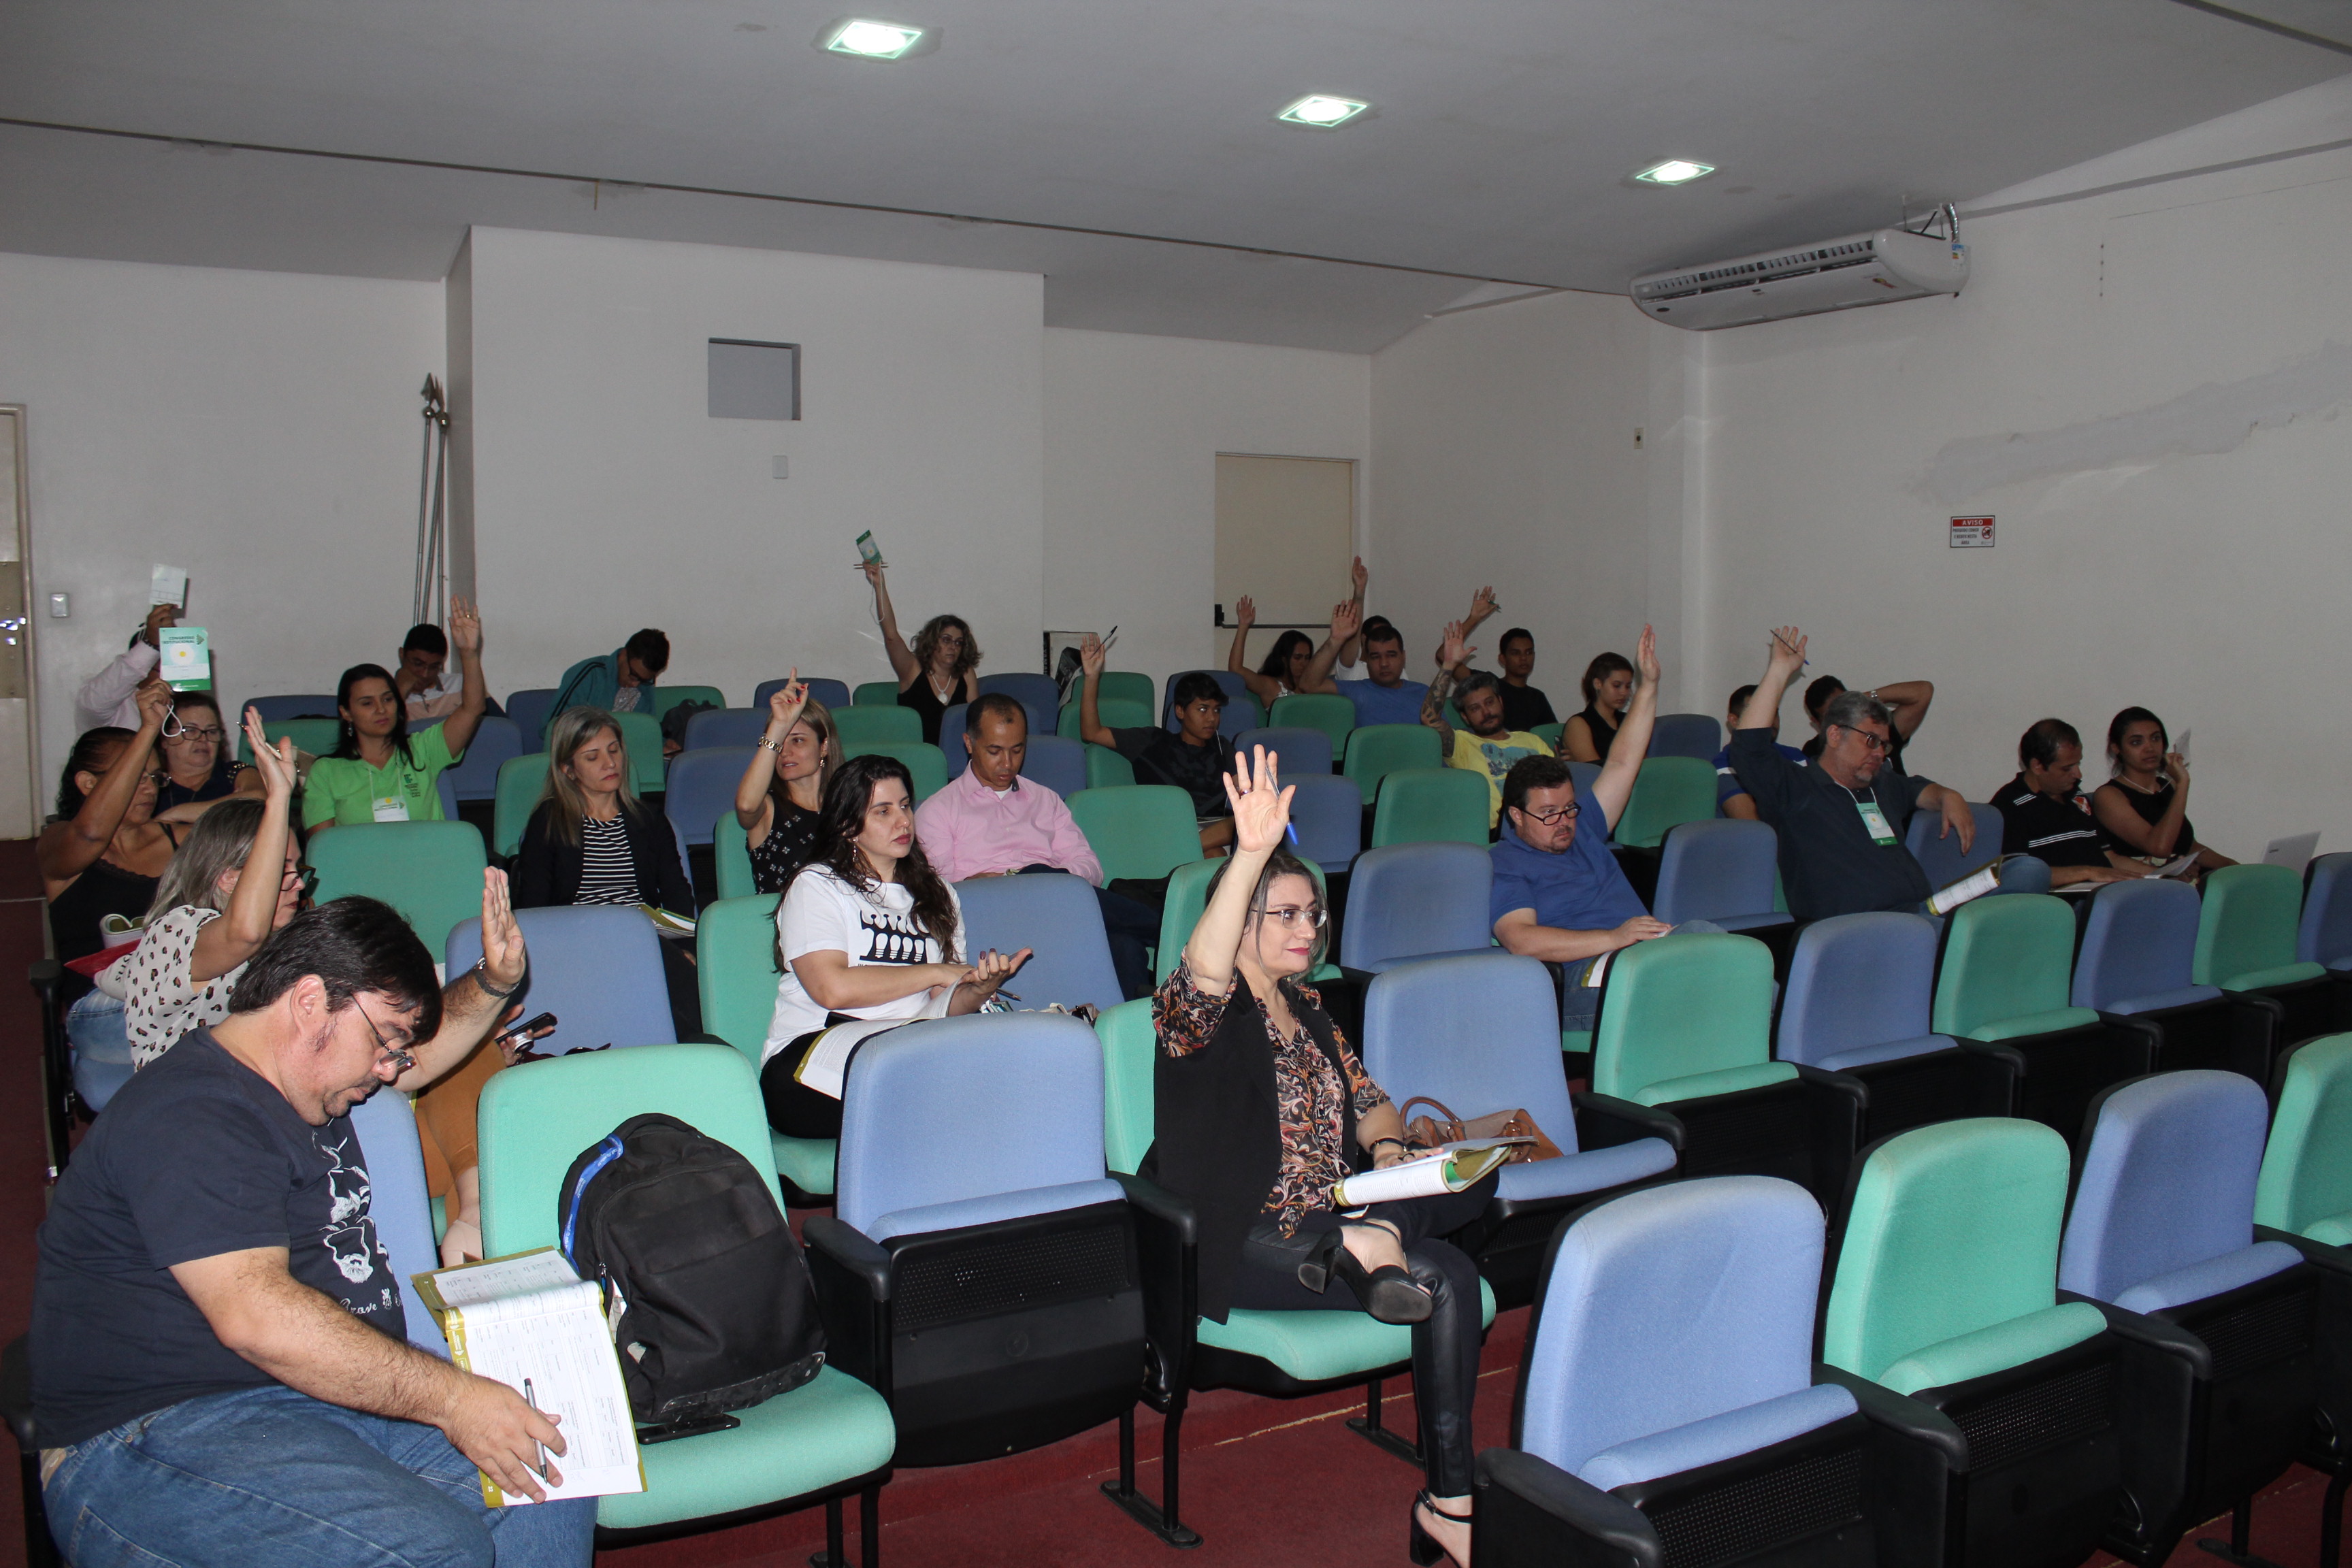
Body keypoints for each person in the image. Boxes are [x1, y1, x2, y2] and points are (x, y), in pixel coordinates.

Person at [29, 887, 597, 1567]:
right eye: (385, 1044)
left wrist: (495, 981)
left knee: (546, 1470)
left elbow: (425, 1046)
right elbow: (256, 1320)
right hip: (145, 1439)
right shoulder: (196, 1113)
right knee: (436, 1549)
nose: (394, 1070)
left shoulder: (307, 1083)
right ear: (307, 1004)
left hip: (309, 1410)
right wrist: (452, 1397)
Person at [1142, 747, 1492, 1568]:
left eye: (1314, 916)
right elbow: (1202, 968)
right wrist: (1251, 852)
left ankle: (1373, 1245)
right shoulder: (1200, 1018)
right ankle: (1453, 1503)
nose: (1308, 930)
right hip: (1243, 1236)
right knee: (1450, 1278)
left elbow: (1368, 1097)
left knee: (1468, 1194)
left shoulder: (1312, 1009)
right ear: (1243, 921)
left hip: (1335, 1205)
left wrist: (1395, 1148)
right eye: (1286, 916)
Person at [760, 755, 1026, 1140]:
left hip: (911, 1048)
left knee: (998, 1068)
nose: (903, 821)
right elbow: (831, 989)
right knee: (949, 1088)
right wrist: (938, 970)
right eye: (882, 811)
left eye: (904, 806)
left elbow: (943, 1004)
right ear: (848, 825)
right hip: (810, 1060)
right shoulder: (816, 885)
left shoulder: (939, 895)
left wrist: (975, 989)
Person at [1490, 629, 1708, 1028]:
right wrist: (1614, 938)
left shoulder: (1583, 825)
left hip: (1641, 955)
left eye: (1568, 808)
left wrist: (1649, 687)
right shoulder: (1504, 862)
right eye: (1549, 813)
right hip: (1585, 975)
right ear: (1517, 816)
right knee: (1692, 984)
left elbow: (1623, 762)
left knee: (1724, 956)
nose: (1564, 822)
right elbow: (1521, 940)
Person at [917, 692, 1159, 1000]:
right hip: (990, 915)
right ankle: (1165, 929)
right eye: (995, 751)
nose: (1008, 763)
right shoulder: (938, 811)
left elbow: (1091, 867)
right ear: (969, 743)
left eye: (1017, 750)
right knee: (1034, 872)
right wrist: (978, 883)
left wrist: (1053, 881)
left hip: (1060, 909)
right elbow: (936, 892)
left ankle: (1127, 1035)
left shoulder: (1045, 799)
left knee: (1126, 946)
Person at [1729, 627, 1974, 920]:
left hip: (1921, 913)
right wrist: (1779, 671)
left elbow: (1920, 791)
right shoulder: (1796, 788)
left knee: (2021, 874)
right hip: (1859, 929)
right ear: (1834, 735)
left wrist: (1949, 795)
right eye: (1870, 741)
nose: (1880, 753)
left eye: (1883, 745)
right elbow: (1748, 749)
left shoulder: (1880, 784)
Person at [108, 712, 304, 1066]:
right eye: (282, 869)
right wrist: (278, 799)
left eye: (297, 866)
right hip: (187, 1106)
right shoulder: (177, 931)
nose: (300, 882)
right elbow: (244, 933)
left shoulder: (286, 933)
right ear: (227, 877)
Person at [512, 706, 700, 1039]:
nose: (610, 763)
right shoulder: (550, 821)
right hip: (578, 942)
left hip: (643, 938)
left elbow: (676, 892)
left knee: (680, 972)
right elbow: (534, 906)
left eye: (614, 751)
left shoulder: (649, 820)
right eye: (592, 756)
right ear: (569, 770)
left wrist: (685, 946)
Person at [303, 598, 487, 835]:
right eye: (367, 703)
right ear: (346, 712)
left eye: (388, 699)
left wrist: (469, 654)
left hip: (426, 863)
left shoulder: (422, 750)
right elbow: (323, 851)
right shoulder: (326, 772)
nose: (381, 709)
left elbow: (472, 709)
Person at [43, 683, 184, 979]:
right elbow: (90, 835)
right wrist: (148, 730)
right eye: (135, 775)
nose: (148, 788)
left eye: (153, 777)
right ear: (89, 784)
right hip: (103, 1002)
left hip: (178, 990)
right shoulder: (57, 840)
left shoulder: (178, 837)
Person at [1079, 634, 1237, 855]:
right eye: (1203, 709)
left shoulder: (1223, 747)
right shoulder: (1152, 741)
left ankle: (1187, 847)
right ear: (1180, 711)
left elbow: (1242, 793)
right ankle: (1187, 846)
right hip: (1169, 827)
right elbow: (1092, 732)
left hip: (1216, 829)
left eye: (1216, 710)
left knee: (1244, 821)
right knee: (1216, 855)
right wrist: (1092, 678)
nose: (1212, 718)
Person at [1421, 621, 1554, 828]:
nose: (1486, 712)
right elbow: (1429, 716)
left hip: (1543, 825)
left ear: (1501, 702)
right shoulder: (1462, 744)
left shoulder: (1533, 741)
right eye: (1475, 709)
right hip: (1497, 835)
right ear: (1465, 717)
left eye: (1490, 702)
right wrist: (1448, 666)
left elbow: (1557, 785)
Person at [1995, 719, 2143, 888]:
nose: (2077, 774)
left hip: (2107, 893)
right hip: (2065, 903)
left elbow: (2109, 857)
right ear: (2037, 766)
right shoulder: (2010, 806)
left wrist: (2158, 875)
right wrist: (2089, 872)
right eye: (2067, 768)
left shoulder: (2076, 796)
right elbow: (2018, 875)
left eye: (2078, 764)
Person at [732, 672, 840, 896]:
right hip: (788, 926)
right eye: (780, 742)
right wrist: (779, 725)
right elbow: (746, 806)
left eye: (798, 740)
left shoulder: (849, 804)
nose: (786, 752)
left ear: (824, 746)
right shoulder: (769, 807)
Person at [2091, 706, 2234, 872]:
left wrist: (2233, 866)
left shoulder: (2165, 786)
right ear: (2117, 748)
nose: (2149, 748)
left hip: (2184, 878)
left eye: (2155, 739)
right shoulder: (2109, 796)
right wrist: (2182, 784)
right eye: (2137, 742)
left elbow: (2188, 846)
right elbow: (2159, 848)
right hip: (2146, 885)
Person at [864, 560, 979, 745]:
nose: (953, 647)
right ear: (932, 641)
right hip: (916, 755)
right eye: (946, 640)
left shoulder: (966, 674)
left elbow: (976, 724)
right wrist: (879, 586)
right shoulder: (913, 669)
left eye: (959, 643)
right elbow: (891, 637)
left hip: (956, 757)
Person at [1303, 602, 1428, 728]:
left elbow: (1446, 737)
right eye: (1376, 657)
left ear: (1403, 657)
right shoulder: (1358, 691)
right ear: (1367, 660)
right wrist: (1335, 640)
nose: (1384, 663)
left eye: (1391, 655)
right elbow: (1309, 685)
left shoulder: (1423, 693)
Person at [151, 691, 263, 821]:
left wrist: (178, 813)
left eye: (212, 731)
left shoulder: (234, 772)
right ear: (165, 739)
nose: (203, 739)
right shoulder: (152, 782)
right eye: (190, 730)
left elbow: (259, 797)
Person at [73, 602, 182, 733]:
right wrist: (152, 644)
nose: (171, 671)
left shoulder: (190, 706)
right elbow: (92, 705)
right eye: (162, 662)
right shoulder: (116, 707)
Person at [1799, 674, 1934, 776]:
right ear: (1817, 723)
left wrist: (1864, 699)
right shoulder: (1814, 751)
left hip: (1903, 809)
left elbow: (1924, 691)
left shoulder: (1881, 729)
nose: (1842, 717)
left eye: (1843, 707)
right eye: (1832, 716)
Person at [1714, 682, 1806, 823]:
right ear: (1734, 720)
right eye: (1760, 714)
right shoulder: (1724, 766)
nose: (1770, 720)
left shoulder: (1796, 757)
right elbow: (1753, 825)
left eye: (1774, 713)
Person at [549, 627, 668, 734]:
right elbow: (551, 728)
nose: (635, 684)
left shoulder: (645, 686)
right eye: (633, 675)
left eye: (644, 680)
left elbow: (646, 733)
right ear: (623, 655)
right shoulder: (589, 675)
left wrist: (663, 745)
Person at [1224, 595, 1323, 711]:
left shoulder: (1315, 686)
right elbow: (1236, 669)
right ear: (1284, 659)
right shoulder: (1272, 686)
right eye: (1297, 658)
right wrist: (1243, 626)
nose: (1304, 663)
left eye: (1307, 658)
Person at [1561, 651, 1635, 764]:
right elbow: (1594, 770)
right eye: (1617, 685)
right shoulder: (1579, 724)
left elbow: (1644, 765)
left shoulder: (1627, 721)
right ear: (1598, 684)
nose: (1624, 692)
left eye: (1628, 686)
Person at [1488, 627, 1557, 732]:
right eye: (1516, 653)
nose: (1524, 658)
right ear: (1503, 659)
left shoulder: (1537, 697)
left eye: (1529, 653)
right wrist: (1474, 619)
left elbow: (1552, 735)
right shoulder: (1491, 687)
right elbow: (1456, 667)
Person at [393, 622, 464, 723]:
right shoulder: (385, 696)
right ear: (402, 655)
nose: (425, 674)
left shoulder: (460, 685)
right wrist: (400, 692)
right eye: (418, 664)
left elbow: (493, 722)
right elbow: (384, 735)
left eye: (434, 667)